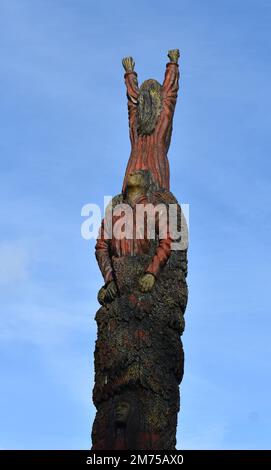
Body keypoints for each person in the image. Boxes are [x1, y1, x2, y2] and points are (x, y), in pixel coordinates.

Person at [121, 49, 180, 193]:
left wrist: (130, 73)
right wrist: (173, 63)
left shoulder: (136, 124)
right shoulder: (162, 116)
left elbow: (133, 99)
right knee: (155, 199)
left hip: (135, 165)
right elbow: (170, 91)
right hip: (157, 165)